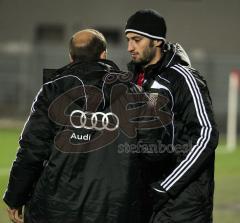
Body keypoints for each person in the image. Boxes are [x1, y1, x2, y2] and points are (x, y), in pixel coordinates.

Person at [3, 29, 169, 223]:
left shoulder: (52, 90)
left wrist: (16, 197)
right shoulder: (140, 94)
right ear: (103, 55)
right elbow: (155, 154)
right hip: (115, 210)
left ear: (71, 58)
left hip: (55, 209)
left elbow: (32, 149)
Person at [125, 9, 219, 223]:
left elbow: (206, 135)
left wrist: (166, 186)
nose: (130, 47)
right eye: (128, 40)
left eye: (137, 40)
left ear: (157, 41)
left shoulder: (184, 78)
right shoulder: (134, 78)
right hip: (145, 201)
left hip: (182, 206)